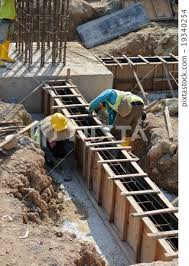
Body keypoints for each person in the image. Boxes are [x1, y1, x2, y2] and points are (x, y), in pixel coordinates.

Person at [0, 0, 16, 67]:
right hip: (3, 18)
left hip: (11, 18)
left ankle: (4, 56)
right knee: (1, 39)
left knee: (8, 39)